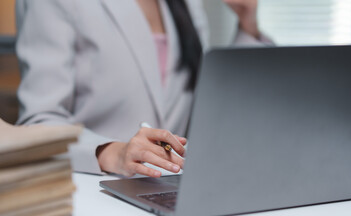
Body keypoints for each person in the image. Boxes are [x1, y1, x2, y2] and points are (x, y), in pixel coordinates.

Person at [16, 0, 272, 177]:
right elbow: (38, 121)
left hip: (172, 190)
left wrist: (247, 26)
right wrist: (112, 153)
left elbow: (211, 105)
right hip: (98, 193)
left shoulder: (188, 4)